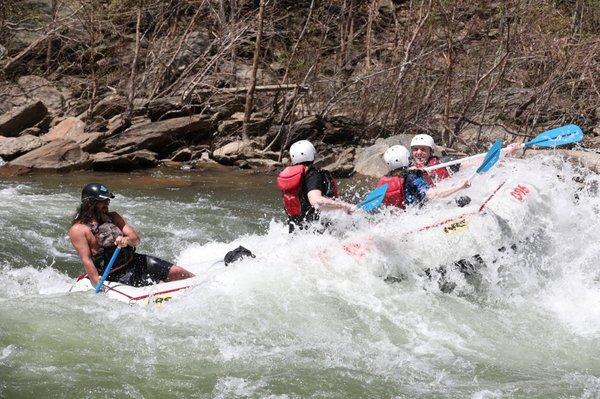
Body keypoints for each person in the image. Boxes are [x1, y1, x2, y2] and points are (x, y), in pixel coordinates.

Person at [68, 183, 194, 289]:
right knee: (153, 288)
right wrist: (97, 283)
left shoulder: (114, 217)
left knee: (178, 272)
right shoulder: (78, 230)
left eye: (108, 200)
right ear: (90, 204)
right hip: (114, 274)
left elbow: (136, 239)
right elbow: (87, 259)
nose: (107, 203)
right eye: (103, 201)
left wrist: (126, 240)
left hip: (135, 261)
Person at [277, 140, 356, 232]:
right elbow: (316, 201)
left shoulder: (290, 178)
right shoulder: (312, 174)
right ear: (312, 154)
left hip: (296, 232)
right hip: (316, 231)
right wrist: (345, 206)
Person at [376, 145, 470, 208]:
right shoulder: (411, 177)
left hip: (401, 216)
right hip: (419, 214)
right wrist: (459, 187)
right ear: (407, 159)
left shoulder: (383, 180)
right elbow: (432, 195)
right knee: (463, 200)